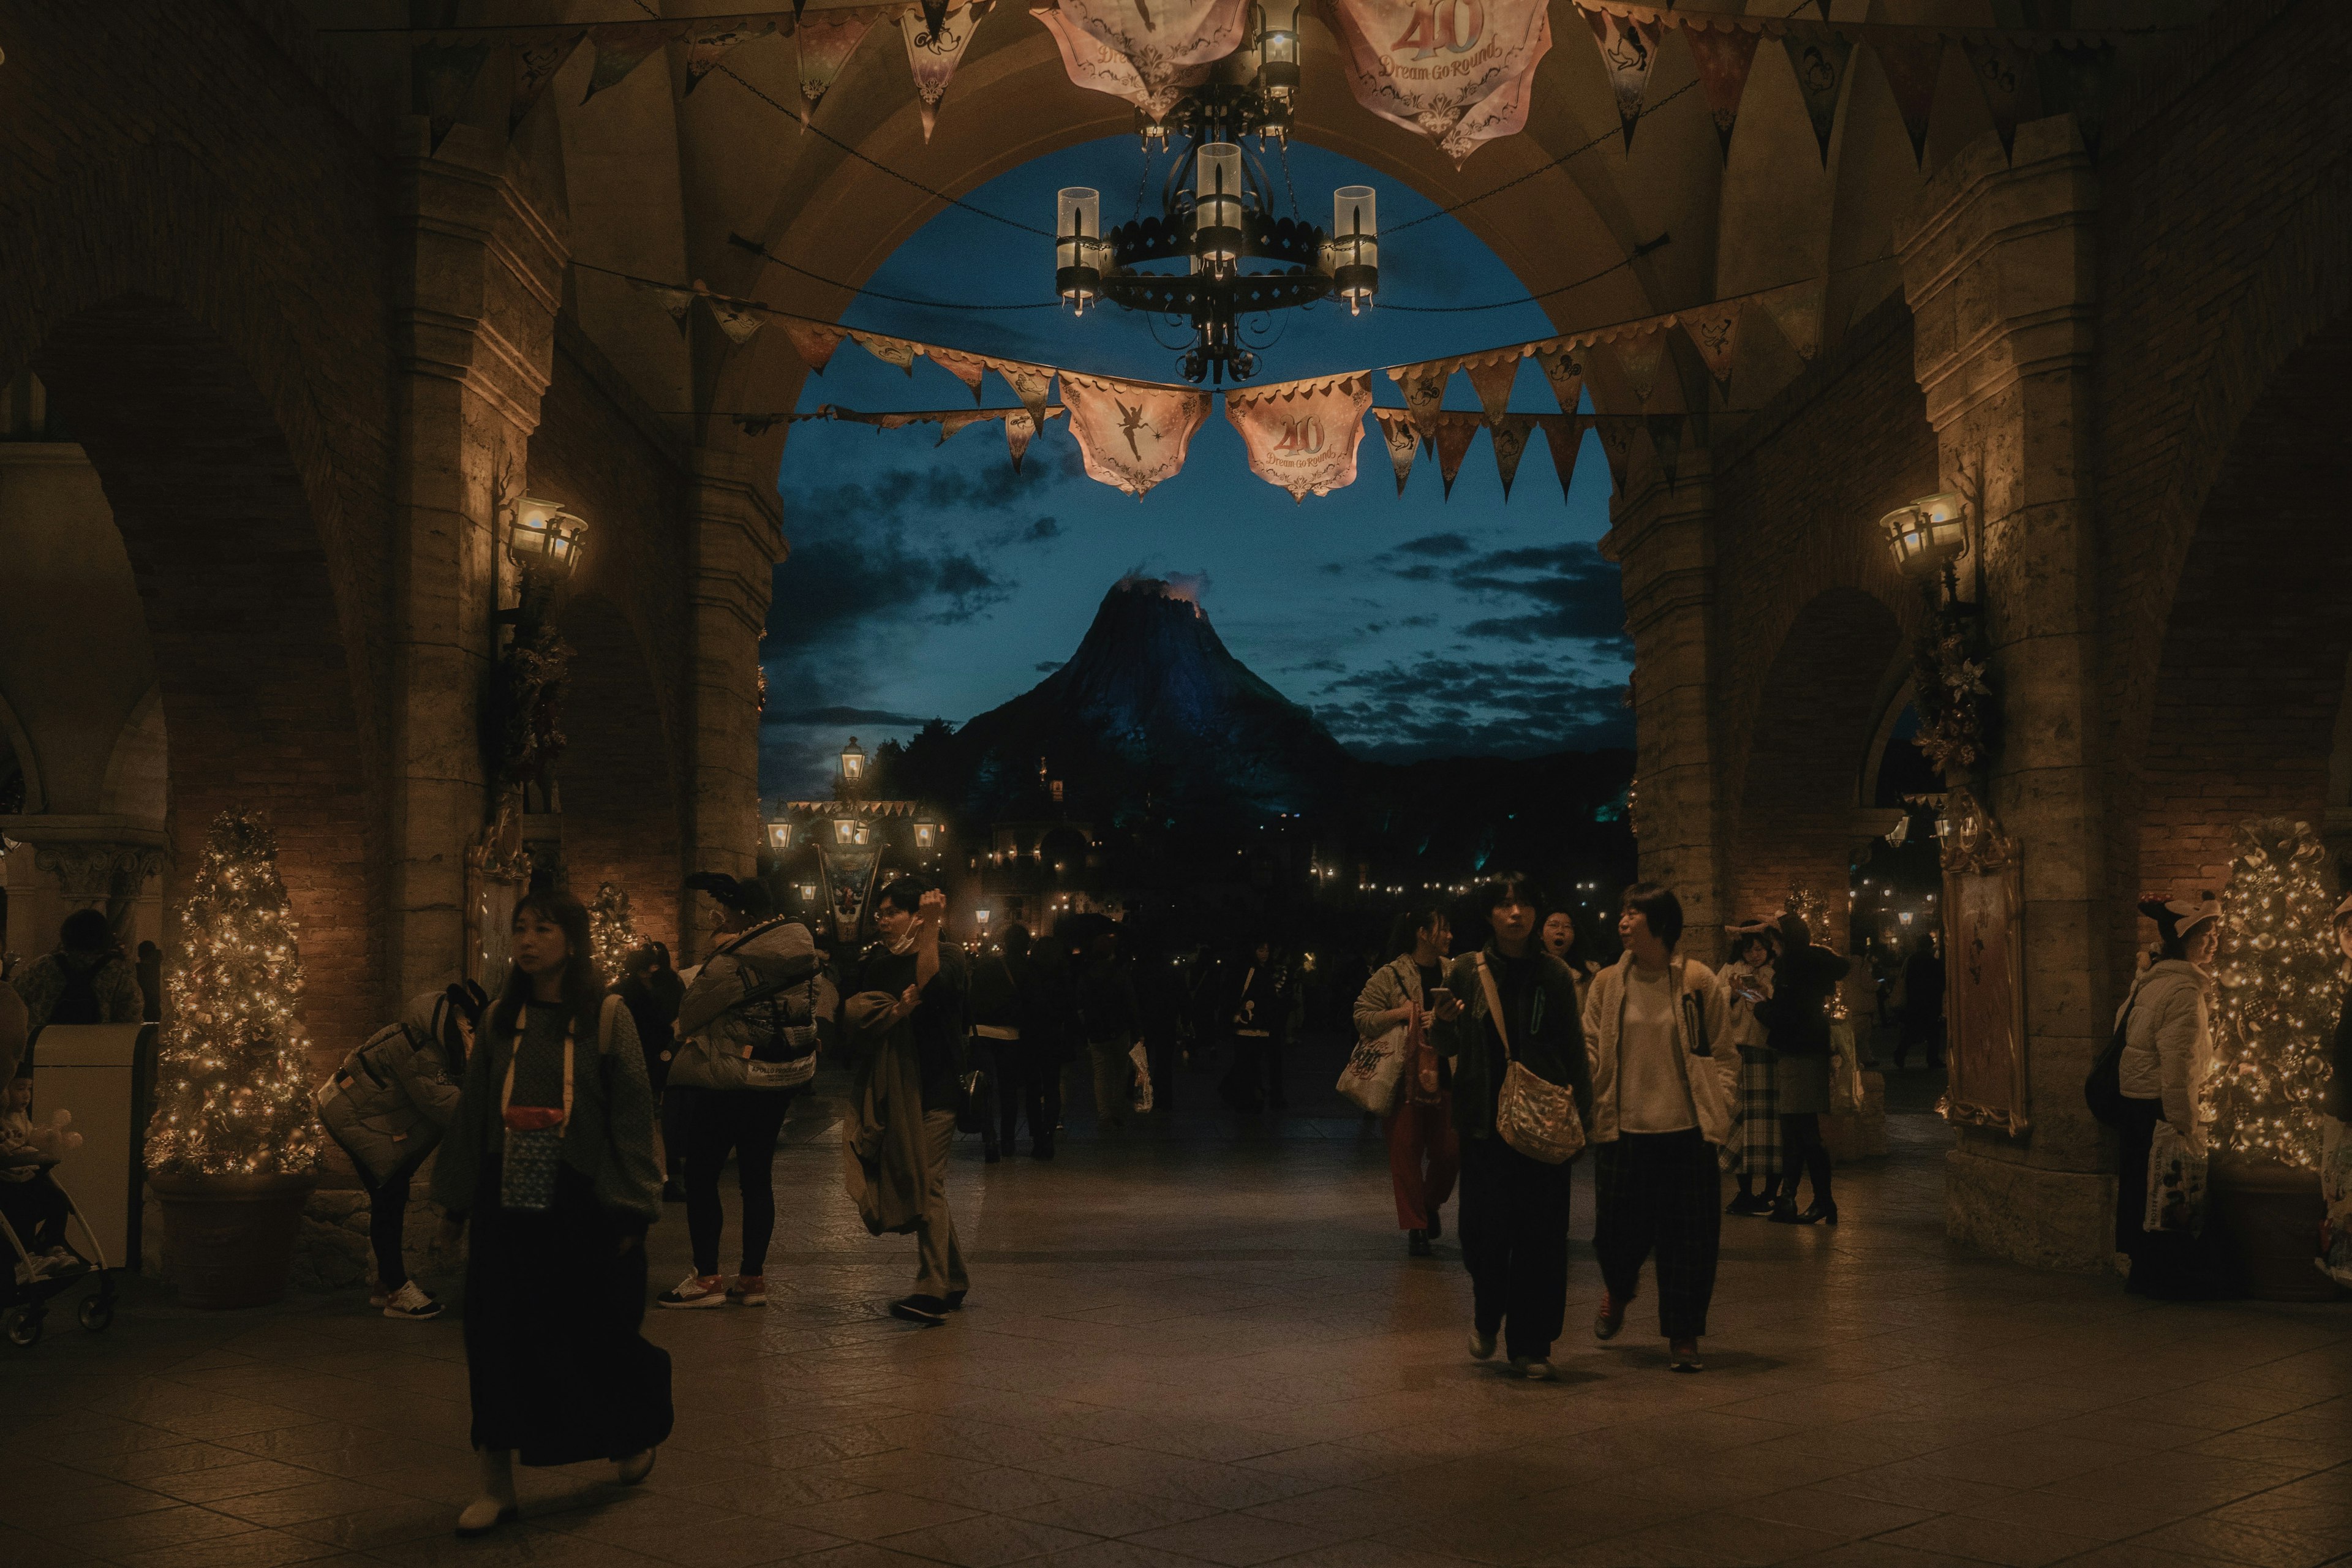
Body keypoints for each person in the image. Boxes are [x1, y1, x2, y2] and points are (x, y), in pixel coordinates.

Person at [430, 891, 669, 1536]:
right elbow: (476, 1108)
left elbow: (631, 1113)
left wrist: (632, 1209)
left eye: (543, 928)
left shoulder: (608, 1015)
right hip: (505, 1195)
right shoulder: (502, 1019)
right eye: (521, 928)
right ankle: (495, 1483)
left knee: (589, 1331)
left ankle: (627, 1434)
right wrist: (454, 1206)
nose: (528, 940)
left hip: (578, 1199)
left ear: (572, 938)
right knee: (494, 1335)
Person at [1441, 875, 1590, 1381]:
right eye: (1504, 905)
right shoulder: (1466, 970)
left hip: (1544, 1124)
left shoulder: (1554, 975)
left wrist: (1584, 1121)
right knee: (1482, 1234)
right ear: (1488, 915)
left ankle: (1532, 1344)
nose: (1515, 913)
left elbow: (1573, 1050)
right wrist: (1441, 1025)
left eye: (1524, 903)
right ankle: (1488, 1312)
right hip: (1484, 1124)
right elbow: (1444, 1045)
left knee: (1542, 1238)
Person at [660, 876, 832, 1310]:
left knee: (701, 1175)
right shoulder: (804, 953)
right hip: (778, 1078)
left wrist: (715, 948)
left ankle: (707, 1278)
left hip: (730, 1078)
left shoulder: (732, 959)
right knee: (757, 1178)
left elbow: (692, 1011)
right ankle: (752, 1278)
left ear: (739, 914)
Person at [1584, 883, 1734, 1373]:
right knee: (1614, 1233)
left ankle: (1684, 1334)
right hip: (1622, 1130)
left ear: (1662, 923)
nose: (1624, 921)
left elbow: (1724, 1055)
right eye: (1622, 911)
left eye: (1635, 913)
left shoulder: (1698, 980)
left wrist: (1721, 1104)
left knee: (1688, 1238)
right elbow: (1590, 1047)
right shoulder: (1607, 982)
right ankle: (1620, 1288)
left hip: (1686, 1133)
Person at [840, 880, 970, 1324]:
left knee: (927, 1181)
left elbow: (934, 988)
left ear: (917, 915)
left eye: (893, 911)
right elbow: (858, 1015)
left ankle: (932, 1288)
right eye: (881, 911)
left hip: (937, 1087)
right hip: (896, 1089)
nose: (882, 918)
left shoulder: (948, 953)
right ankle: (952, 1277)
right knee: (922, 1179)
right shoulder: (877, 962)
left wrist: (933, 929)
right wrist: (892, 1014)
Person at [316, 981, 484, 1320]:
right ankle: (396, 1291)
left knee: (389, 1197)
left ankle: (385, 1286)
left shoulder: (427, 1034)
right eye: (473, 1029)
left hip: (361, 1115)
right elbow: (449, 1108)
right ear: (461, 1021)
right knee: (389, 1197)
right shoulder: (424, 1050)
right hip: (355, 1119)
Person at [2113, 893, 2223, 1300]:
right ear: (2183, 940)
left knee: (2143, 1189)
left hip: (2135, 1100)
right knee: (2168, 1189)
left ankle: (2145, 1273)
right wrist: (2184, 1121)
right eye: (2205, 936)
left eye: (2214, 935)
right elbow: (2179, 1065)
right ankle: (2166, 1276)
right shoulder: (2183, 991)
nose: (2213, 943)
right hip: (2159, 1104)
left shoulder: (2151, 979)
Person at [1355, 907, 1460, 1257]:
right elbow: (1362, 1016)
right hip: (1403, 1078)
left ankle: (1429, 1206)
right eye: (1443, 929)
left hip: (1447, 1075)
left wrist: (1446, 1020)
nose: (1449, 936)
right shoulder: (1390, 974)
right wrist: (1404, 1013)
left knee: (1449, 1152)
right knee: (1405, 1153)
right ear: (1422, 932)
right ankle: (1416, 1226)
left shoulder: (1456, 972)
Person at [1754, 914, 1849, 1225]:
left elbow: (1783, 1015)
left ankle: (1823, 1201)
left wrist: (1758, 1005)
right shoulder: (1809, 962)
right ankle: (1790, 1200)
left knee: (1804, 1131)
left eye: (1775, 942)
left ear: (1785, 942)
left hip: (1798, 1052)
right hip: (1807, 1050)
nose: (1773, 948)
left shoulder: (1792, 968)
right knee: (1796, 1130)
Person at [1716, 920, 1781, 1218]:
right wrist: (1732, 994)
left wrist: (1756, 993)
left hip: (1767, 1053)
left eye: (1760, 948)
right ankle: (1744, 1192)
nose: (1755, 955)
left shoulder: (1776, 973)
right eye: (1749, 949)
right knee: (1738, 1122)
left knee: (1768, 1126)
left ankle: (1769, 1193)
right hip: (1739, 1052)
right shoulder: (1729, 971)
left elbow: (1777, 1008)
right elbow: (1713, 1007)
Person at [614, 942, 687, 1202]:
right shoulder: (646, 997)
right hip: (647, 1064)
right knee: (653, 1120)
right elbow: (662, 1029)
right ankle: (662, 1179)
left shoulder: (621, 994)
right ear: (646, 971)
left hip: (637, 1064)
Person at [11, 908, 141, 1030]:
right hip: (100, 1049)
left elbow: (15, 1002)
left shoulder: (42, 967)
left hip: (45, 1048)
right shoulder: (117, 973)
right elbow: (132, 1017)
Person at [1077, 920, 1142, 1130]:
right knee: (1120, 1070)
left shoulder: (1086, 975)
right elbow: (1131, 1002)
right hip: (1119, 1028)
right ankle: (1116, 1109)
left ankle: (1103, 1113)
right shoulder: (1119, 974)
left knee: (1100, 1072)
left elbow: (1082, 1003)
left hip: (1096, 1030)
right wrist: (1137, 1029)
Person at [1221, 940, 1292, 1113]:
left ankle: (1248, 1096)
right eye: (1261, 950)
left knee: (1248, 1062)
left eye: (1267, 950)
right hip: (1255, 1023)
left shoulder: (1255, 970)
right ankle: (1252, 1096)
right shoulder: (1256, 971)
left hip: (1257, 1024)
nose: (1265, 954)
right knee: (1252, 1061)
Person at [1897, 932, 1946, 1069]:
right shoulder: (1933, 961)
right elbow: (1941, 980)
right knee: (1933, 1032)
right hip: (1931, 1000)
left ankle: (1901, 1052)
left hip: (1915, 999)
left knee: (1913, 1029)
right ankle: (1933, 1059)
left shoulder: (1911, 959)